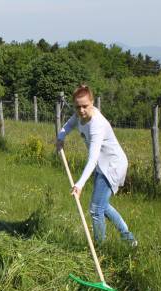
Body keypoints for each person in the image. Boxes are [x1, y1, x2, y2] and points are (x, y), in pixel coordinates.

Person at [56, 84, 137, 246]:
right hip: (103, 164)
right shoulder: (79, 115)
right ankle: (129, 239)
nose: (81, 110)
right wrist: (61, 137)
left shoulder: (96, 125)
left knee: (95, 209)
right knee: (102, 205)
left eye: (85, 106)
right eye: (78, 107)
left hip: (113, 165)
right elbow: (69, 125)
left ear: (92, 102)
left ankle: (100, 247)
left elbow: (92, 158)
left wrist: (79, 185)